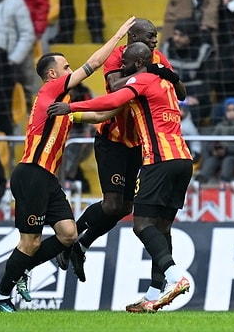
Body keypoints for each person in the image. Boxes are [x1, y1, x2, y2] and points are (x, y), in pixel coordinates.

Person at [0, 17, 135, 312]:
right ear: (53, 74)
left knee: (68, 234)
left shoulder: (61, 109)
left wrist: (132, 96)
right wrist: (118, 35)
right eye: (67, 68)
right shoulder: (49, 91)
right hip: (31, 174)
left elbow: (98, 116)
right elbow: (92, 65)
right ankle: (1, 295)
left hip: (47, 179)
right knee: (29, 242)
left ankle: (22, 270)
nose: (71, 71)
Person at [48, 42, 193, 313]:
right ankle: (153, 292)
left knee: (142, 225)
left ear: (137, 63)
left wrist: (71, 109)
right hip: (183, 159)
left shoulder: (143, 79)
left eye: (126, 63)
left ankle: (175, 277)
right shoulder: (166, 83)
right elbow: (178, 89)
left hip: (158, 159)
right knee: (161, 227)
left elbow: (113, 100)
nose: (120, 67)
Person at [160, 17, 214, 126]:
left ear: (191, 37)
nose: (176, 39)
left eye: (181, 36)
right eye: (175, 34)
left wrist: (197, 98)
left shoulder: (205, 51)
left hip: (195, 96)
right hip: (170, 94)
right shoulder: (165, 48)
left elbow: (210, 80)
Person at [195, 97, 234, 183]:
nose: (231, 113)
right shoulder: (220, 126)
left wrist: (226, 150)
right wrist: (214, 150)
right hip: (220, 155)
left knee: (228, 160)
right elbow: (211, 142)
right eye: (229, 110)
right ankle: (200, 182)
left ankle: (225, 182)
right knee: (211, 161)